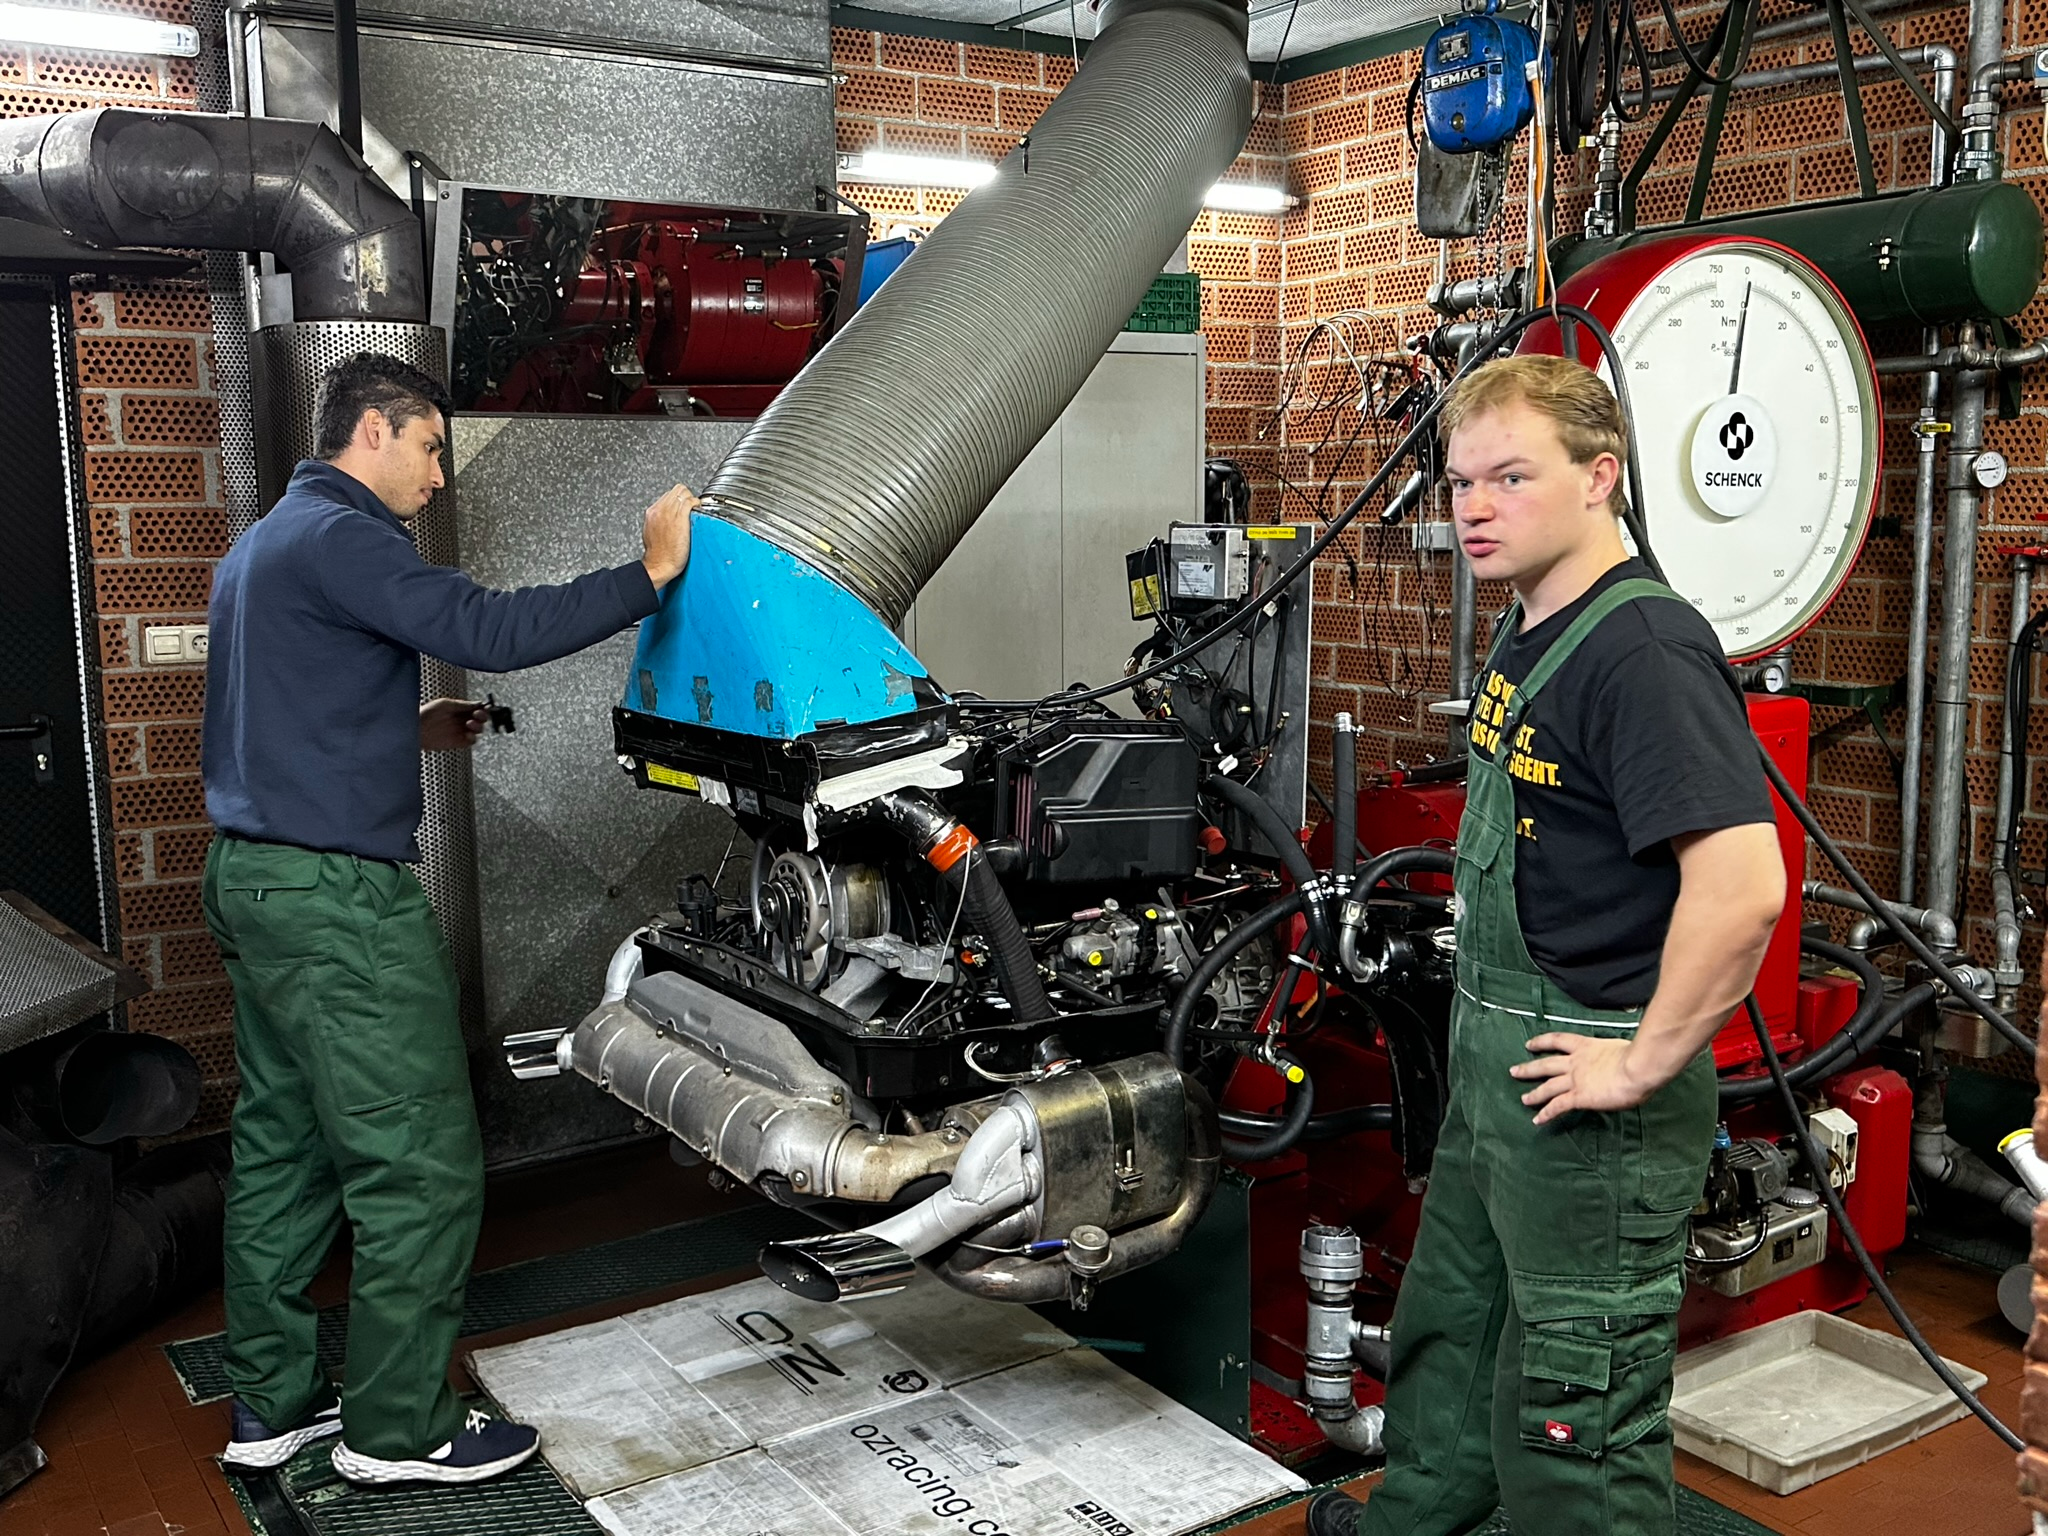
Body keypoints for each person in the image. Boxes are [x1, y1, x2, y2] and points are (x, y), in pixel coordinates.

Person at [1308, 355, 1785, 1535]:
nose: (1471, 506)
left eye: (1509, 477)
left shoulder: (1642, 652)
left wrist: (1633, 1064)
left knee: (1576, 1405)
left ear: (1599, 479)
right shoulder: (1536, 625)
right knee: (1453, 1330)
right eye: (1460, 481)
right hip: (1498, 1078)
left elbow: (1741, 889)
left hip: (1588, 1098)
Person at [201, 352, 697, 1486]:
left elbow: (269, 711)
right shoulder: (344, 536)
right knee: (417, 1163)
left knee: (283, 1157)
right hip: (336, 905)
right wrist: (648, 575)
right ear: (371, 432)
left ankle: (269, 1406)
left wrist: (406, 727)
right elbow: (489, 626)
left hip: (256, 885)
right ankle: (399, 1428)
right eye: (429, 446)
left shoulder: (262, 546)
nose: (437, 475)